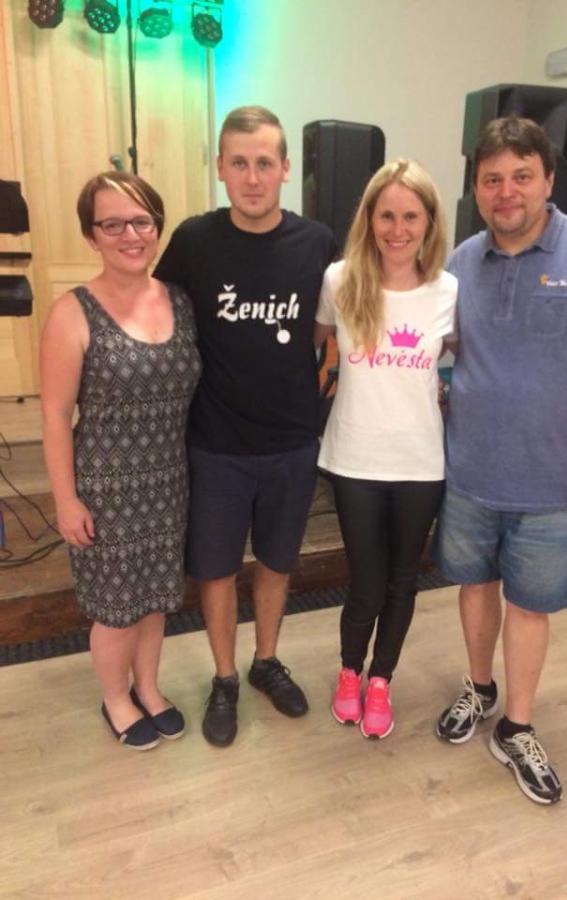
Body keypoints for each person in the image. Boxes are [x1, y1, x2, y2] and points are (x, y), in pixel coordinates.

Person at [434, 117, 567, 803]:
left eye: (521, 176)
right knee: (474, 587)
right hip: (469, 473)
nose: (506, 191)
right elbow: (442, 349)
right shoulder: (460, 262)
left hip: (553, 481)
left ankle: (515, 726)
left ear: (548, 179)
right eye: (492, 178)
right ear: (476, 187)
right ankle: (479, 688)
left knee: (529, 606)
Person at [154, 105, 337, 748]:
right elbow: (156, 317)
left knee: (278, 563)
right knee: (216, 569)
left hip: (292, 442)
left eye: (264, 162)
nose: (252, 177)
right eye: (239, 163)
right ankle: (225, 677)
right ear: (220, 168)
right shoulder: (193, 241)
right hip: (216, 445)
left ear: (285, 168)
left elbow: (335, 326)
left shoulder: (317, 243)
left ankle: (266, 661)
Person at [41, 172, 202, 750]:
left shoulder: (179, 300)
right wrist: (66, 500)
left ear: (156, 227)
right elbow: (55, 414)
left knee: (155, 599)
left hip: (168, 483)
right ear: (92, 235)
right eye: (112, 224)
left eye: (141, 222)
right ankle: (115, 699)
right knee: (115, 609)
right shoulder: (72, 312)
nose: (130, 235)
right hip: (105, 489)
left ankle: (148, 688)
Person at [315, 159, 457, 739]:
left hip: (421, 462)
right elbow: (312, 345)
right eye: (387, 216)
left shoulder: (448, 290)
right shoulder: (339, 280)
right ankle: (350, 672)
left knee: (403, 582)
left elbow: (472, 360)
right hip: (355, 458)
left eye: (411, 217)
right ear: (369, 219)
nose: (398, 230)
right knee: (367, 582)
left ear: (429, 222)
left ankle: (381, 680)